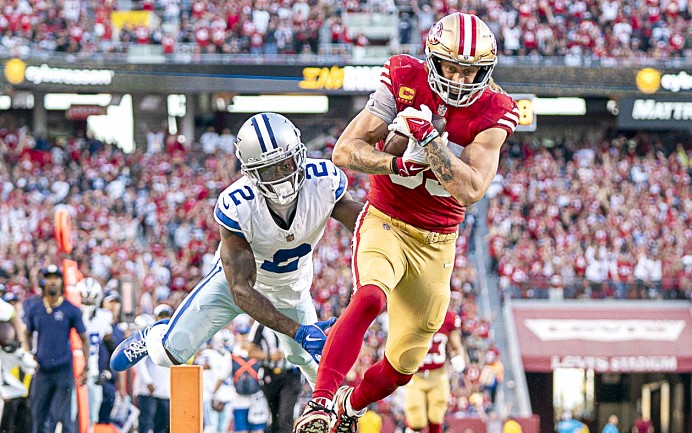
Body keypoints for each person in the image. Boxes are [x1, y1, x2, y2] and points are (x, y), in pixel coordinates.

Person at [294, 12, 519, 433]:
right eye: (450, 66)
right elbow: (345, 152)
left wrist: (430, 141)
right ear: (432, 59)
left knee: (402, 366)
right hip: (388, 220)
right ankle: (320, 403)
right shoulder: (403, 77)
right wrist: (397, 159)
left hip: (437, 242)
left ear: (485, 71)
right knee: (369, 298)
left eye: (469, 70)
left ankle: (351, 404)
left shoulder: (496, 110)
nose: (457, 78)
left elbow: (471, 189)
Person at [111, 113, 363, 390]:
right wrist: (296, 330)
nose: (281, 178)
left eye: (285, 164)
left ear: (299, 155)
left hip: (292, 287)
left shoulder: (323, 182)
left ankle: (334, 412)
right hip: (237, 287)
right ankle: (153, 334)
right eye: (270, 170)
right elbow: (241, 290)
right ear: (251, 173)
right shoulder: (237, 205)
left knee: (311, 361)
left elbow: (364, 228)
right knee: (169, 354)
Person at [25, 264, 90, 433]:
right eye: (49, 278)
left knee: (62, 416)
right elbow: (26, 333)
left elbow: (84, 338)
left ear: (61, 282)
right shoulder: (36, 308)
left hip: (63, 369)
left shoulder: (71, 309)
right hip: (42, 370)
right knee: (38, 415)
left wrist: (86, 367)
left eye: (56, 278)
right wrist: (29, 354)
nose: (52, 282)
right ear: (43, 282)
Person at [404, 306, 466, 433]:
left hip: (438, 374)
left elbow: (456, 345)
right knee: (416, 418)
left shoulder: (448, 318)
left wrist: (459, 357)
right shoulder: (411, 314)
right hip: (416, 375)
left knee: (437, 414)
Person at [251, 320, 302, 433]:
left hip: (290, 374)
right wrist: (269, 356)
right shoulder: (260, 323)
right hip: (270, 374)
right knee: (274, 416)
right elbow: (250, 350)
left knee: (285, 416)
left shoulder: (296, 318)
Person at [77, 277, 116, 425]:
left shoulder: (103, 318)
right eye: (84, 297)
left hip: (92, 373)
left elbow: (112, 347)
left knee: (92, 418)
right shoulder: (72, 315)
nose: (87, 302)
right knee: (70, 416)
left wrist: (106, 371)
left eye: (91, 298)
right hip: (72, 372)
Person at [134, 304, 174, 433]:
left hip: (165, 390)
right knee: (146, 424)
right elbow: (140, 361)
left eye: (167, 316)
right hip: (149, 390)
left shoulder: (174, 336)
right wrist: (148, 381)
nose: (164, 318)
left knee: (163, 426)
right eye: (161, 316)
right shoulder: (150, 334)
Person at [0, 319, 37, 433]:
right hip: (9, 385)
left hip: (22, 385)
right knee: (10, 410)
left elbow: (31, 365)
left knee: (25, 407)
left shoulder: (21, 348)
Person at [98, 290, 127, 424]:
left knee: (105, 421)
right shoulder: (95, 324)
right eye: (111, 302)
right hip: (94, 377)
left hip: (109, 381)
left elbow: (122, 361)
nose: (114, 306)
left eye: (116, 302)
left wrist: (121, 388)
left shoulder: (120, 332)